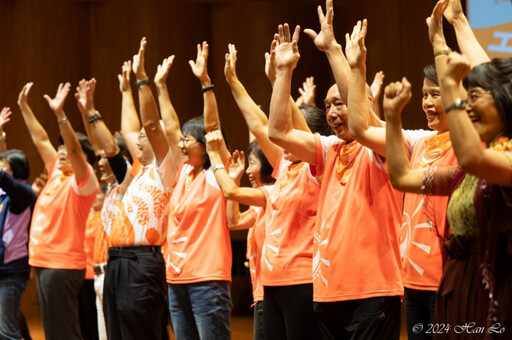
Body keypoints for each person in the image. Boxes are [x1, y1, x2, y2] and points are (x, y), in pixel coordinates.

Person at [103, 38, 176, 340]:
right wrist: (124, 92)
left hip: (142, 260)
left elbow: (148, 124)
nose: (138, 139)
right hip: (118, 260)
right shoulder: (139, 170)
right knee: (117, 332)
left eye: (146, 137)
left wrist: (143, 79)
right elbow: (132, 128)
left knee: (140, 333)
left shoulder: (166, 167)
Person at [395, 2, 459, 339]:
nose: (426, 103)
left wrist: (441, 38)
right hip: (412, 278)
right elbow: (366, 128)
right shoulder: (420, 140)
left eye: (435, 94)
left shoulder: (467, 144)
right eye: (423, 95)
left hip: (446, 278)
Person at [18, 82, 99, 340]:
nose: (62, 152)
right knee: (53, 333)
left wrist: (61, 115)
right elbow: (41, 138)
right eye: (60, 148)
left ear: (84, 158)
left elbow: (74, 149)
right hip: (43, 262)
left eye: (67, 149)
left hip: (61, 265)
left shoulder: (84, 182)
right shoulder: (55, 172)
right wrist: (24, 108)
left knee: (64, 333)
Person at [164, 40, 233, 340]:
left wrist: (206, 83)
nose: (180, 144)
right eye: (181, 140)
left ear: (205, 149)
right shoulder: (182, 173)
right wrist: (159, 86)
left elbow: (214, 128)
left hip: (207, 281)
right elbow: (168, 127)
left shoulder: (217, 174)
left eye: (187, 141)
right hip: (176, 280)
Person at [0, 147, 36, 340]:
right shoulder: (5, 195)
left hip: (12, 271)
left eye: (4, 167)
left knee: (7, 332)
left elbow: (6, 181)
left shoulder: (24, 193)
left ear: (14, 171)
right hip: (3, 269)